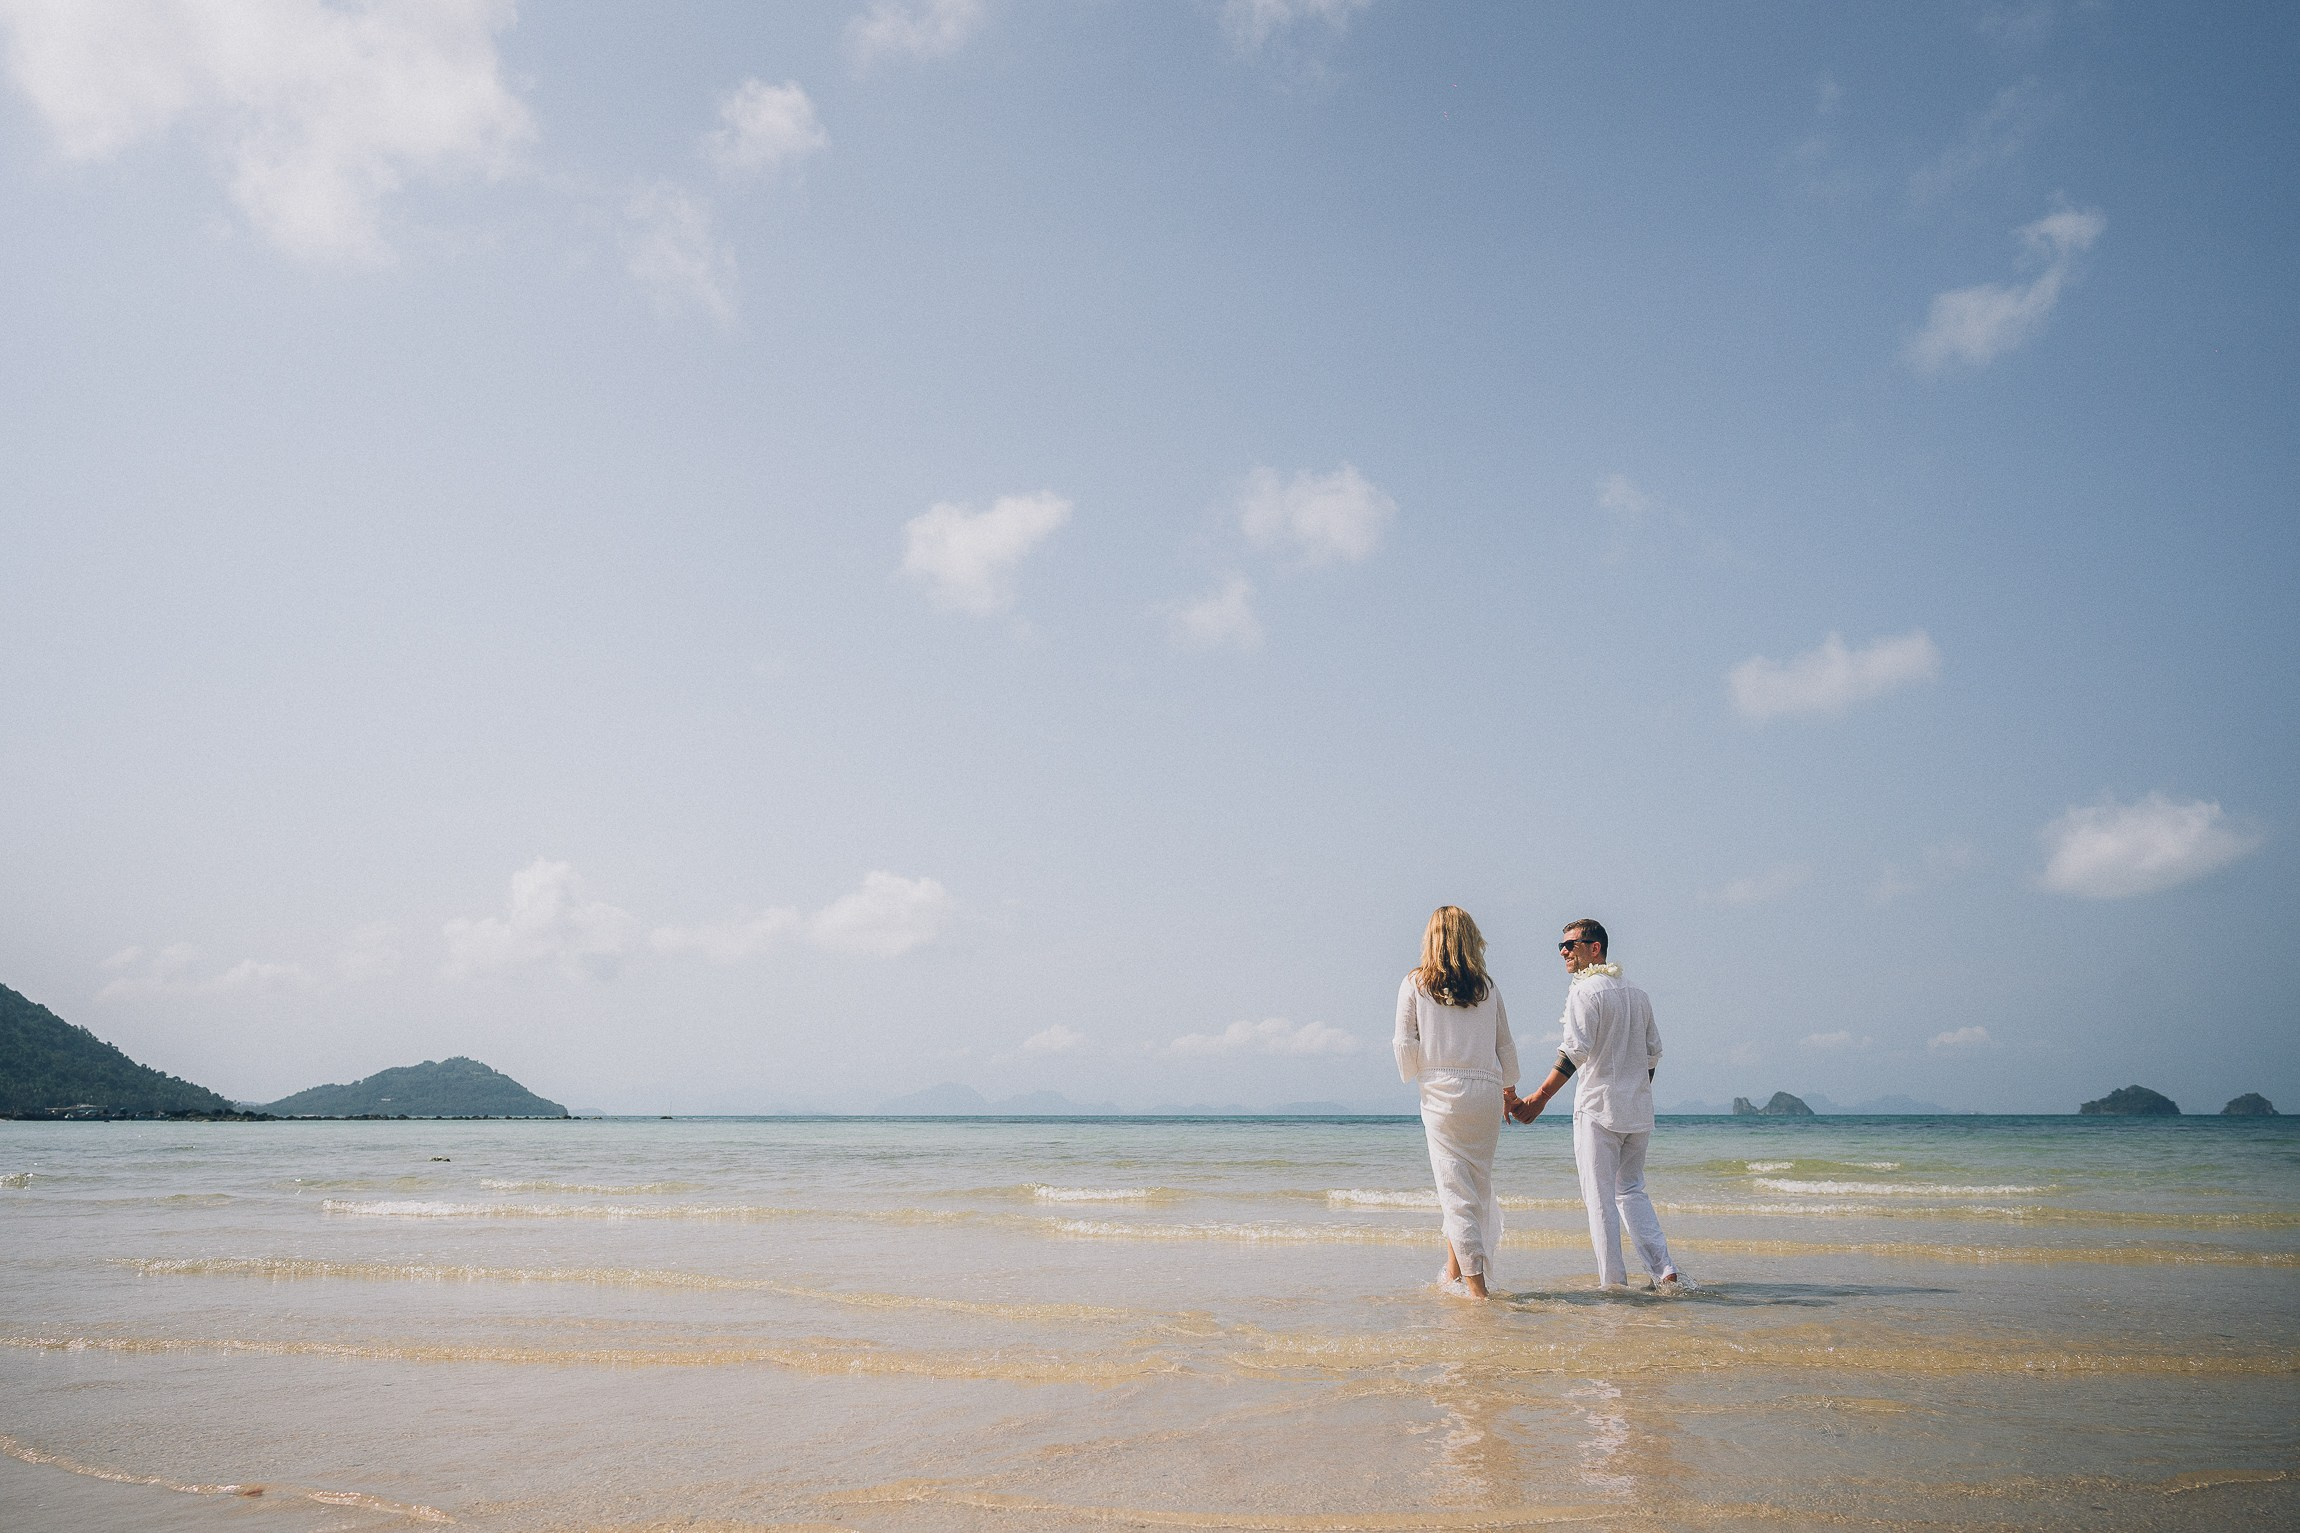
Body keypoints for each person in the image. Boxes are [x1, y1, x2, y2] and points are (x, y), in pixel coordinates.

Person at [1514, 919, 1686, 1291]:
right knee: (1631, 1190)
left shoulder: (1585, 991)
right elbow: (1653, 1054)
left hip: (1597, 1108)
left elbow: (1574, 1052)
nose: (1564, 951)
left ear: (1596, 948)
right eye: (1561, 945)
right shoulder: (1637, 993)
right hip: (1637, 1111)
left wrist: (1540, 1098)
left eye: (1571, 944)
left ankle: (1614, 1283)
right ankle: (1664, 1270)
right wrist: (1634, 1089)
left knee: (1600, 1198)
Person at [1393, 905, 1527, 1298]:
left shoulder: (1415, 983)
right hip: (1486, 1092)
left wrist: (1419, 1069)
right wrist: (1510, 1093)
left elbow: (1405, 1045)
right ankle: (1452, 1274)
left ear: (1431, 939)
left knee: (1455, 1193)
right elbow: (1505, 1045)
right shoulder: (1487, 987)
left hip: (1442, 1093)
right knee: (1474, 1188)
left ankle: (1477, 1291)